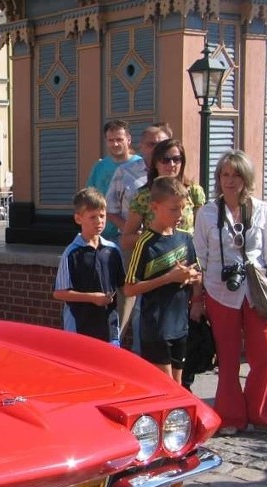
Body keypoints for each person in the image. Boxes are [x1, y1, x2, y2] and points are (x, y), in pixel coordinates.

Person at [193, 150, 267, 436]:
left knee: (266, 354)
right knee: (228, 356)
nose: (229, 180)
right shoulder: (208, 212)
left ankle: (262, 415)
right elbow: (200, 257)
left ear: (245, 178)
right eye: (224, 174)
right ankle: (232, 417)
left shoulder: (259, 209)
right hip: (219, 290)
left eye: (235, 175)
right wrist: (197, 299)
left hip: (256, 290)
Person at [124, 177, 202, 383]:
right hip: (156, 327)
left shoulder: (185, 238)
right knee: (166, 386)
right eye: (174, 209)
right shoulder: (145, 243)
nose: (180, 215)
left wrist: (193, 280)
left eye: (183, 209)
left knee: (179, 385)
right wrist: (168, 278)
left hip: (180, 323)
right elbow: (129, 289)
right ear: (155, 207)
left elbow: (197, 272)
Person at [106, 123, 172, 348]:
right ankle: (119, 351)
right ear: (141, 146)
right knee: (129, 302)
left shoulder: (173, 173)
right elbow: (111, 208)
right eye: (151, 144)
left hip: (165, 250)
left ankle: (146, 353)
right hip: (132, 246)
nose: (155, 149)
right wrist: (130, 229)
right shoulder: (125, 172)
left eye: (160, 144)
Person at [53, 188, 125, 346]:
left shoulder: (113, 250)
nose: (99, 221)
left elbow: (124, 287)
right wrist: (92, 298)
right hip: (80, 329)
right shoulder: (71, 253)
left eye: (102, 216)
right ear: (78, 219)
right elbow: (59, 293)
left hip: (109, 329)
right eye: (92, 217)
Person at [122, 139, 205, 252]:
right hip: (157, 258)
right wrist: (156, 238)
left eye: (176, 159)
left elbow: (202, 232)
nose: (171, 164)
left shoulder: (194, 192)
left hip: (188, 257)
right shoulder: (144, 196)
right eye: (165, 160)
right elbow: (126, 240)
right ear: (156, 163)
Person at [86, 120, 141, 241]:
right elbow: (89, 199)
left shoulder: (142, 165)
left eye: (119, 139)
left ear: (129, 140)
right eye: (111, 140)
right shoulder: (99, 167)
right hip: (103, 235)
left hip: (132, 235)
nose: (115, 144)